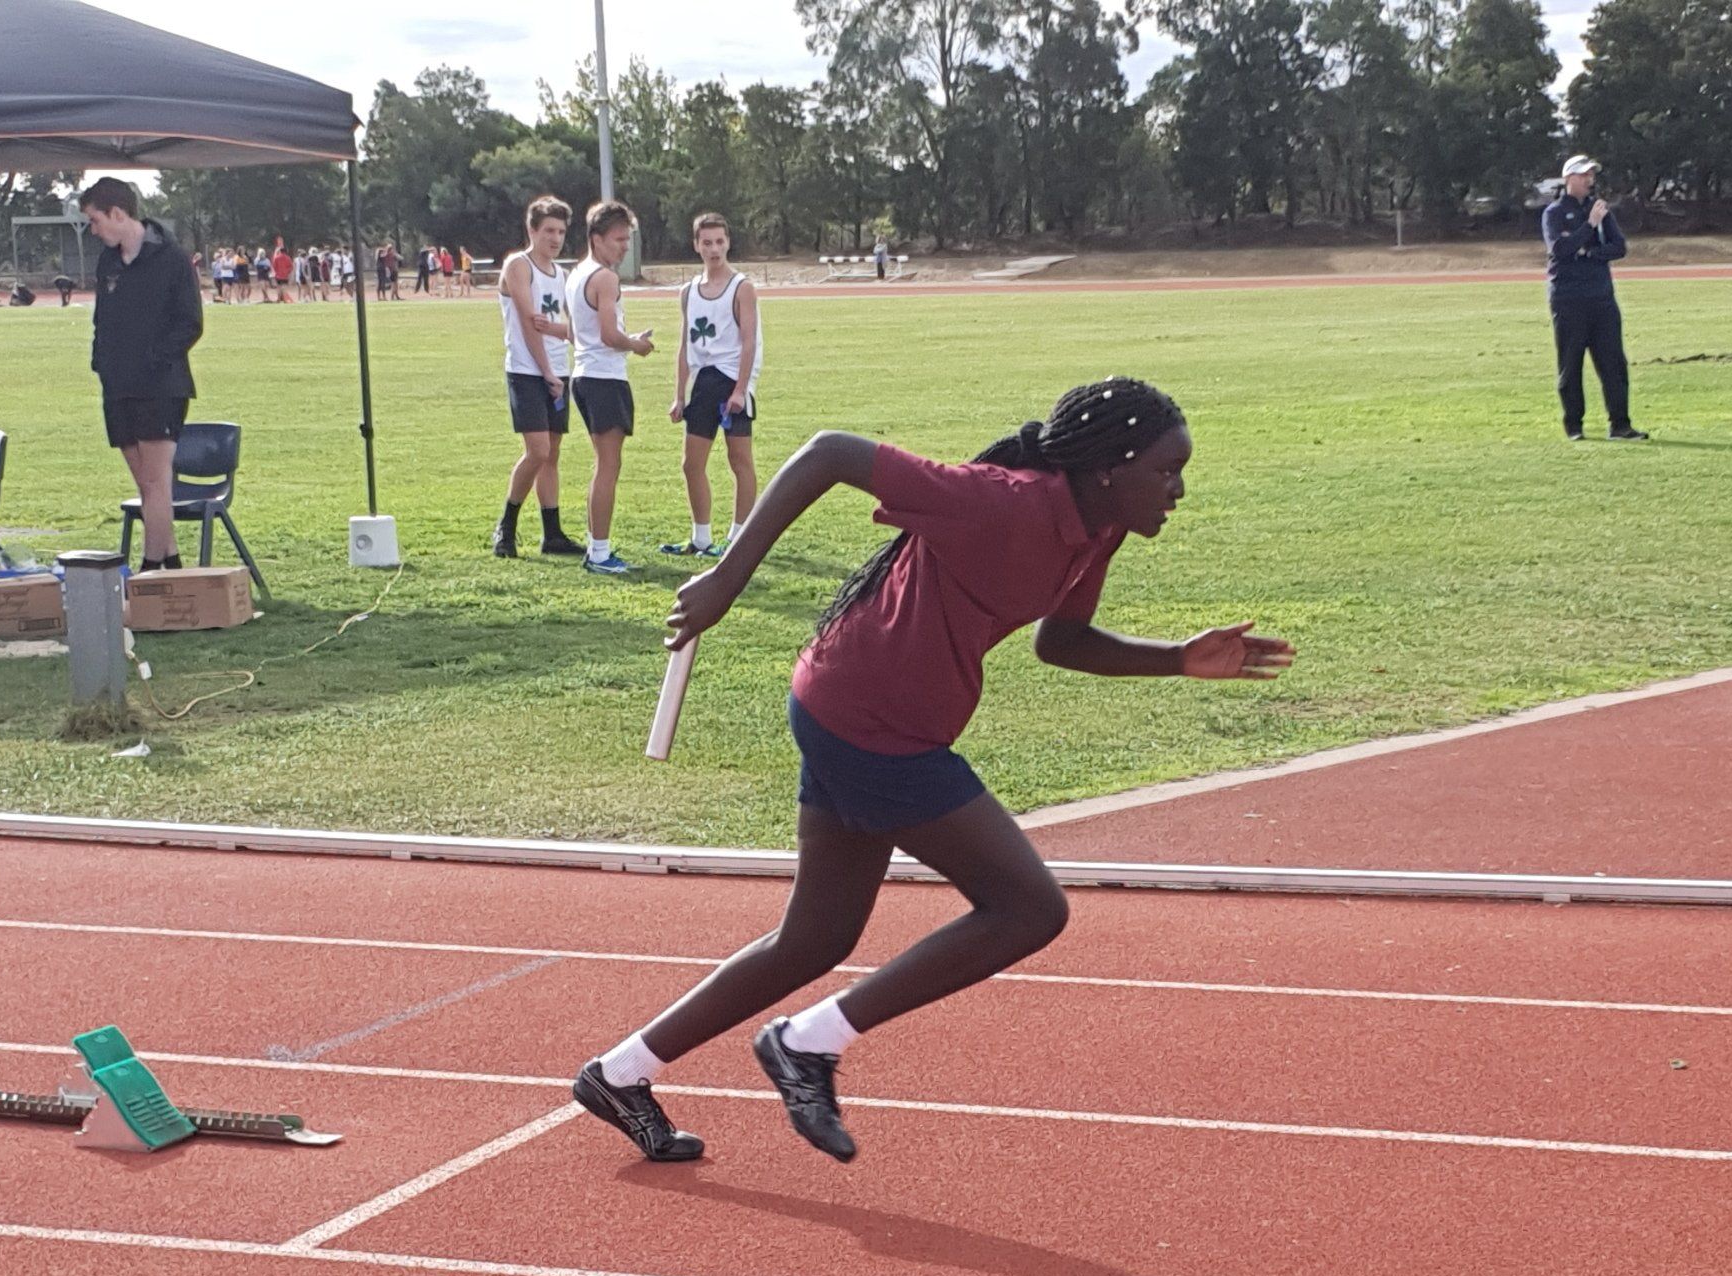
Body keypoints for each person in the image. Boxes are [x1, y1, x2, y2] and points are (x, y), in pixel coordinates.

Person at [573, 377, 1295, 1164]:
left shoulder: (1097, 528)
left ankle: (620, 1073)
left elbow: (1063, 641)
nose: (1179, 490)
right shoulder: (1001, 500)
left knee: (814, 938)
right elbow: (830, 454)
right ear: (1108, 466)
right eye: (1166, 470)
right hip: (871, 723)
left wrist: (1179, 662)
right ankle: (805, 1043)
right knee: (1027, 908)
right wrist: (727, 579)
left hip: (862, 709)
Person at [79, 175, 204, 572]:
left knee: (155, 481)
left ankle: (150, 570)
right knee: (146, 485)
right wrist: (101, 361)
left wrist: (151, 358)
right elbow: (103, 319)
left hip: (160, 387)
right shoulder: (108, 261)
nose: (93, 230)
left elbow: (190, 323)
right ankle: (172, 564)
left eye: (96, 220)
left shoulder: (171, 259)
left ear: (118, 213)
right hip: (117, 387)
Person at [661, 213, 760, 559]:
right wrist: (678, 395)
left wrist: (741, 390)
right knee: (692, 463)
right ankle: (700, 538)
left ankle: (739, 536)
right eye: (707, 242)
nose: (714, 249)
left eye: (720, 241)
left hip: (731, 379)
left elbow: (749, 342)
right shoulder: (688, 292)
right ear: (696, 245)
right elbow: (685, 345)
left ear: (728, 242)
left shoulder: (741, 287)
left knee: (739, 460)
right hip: (704, 383)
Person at [567, 200, 656, 577]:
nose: (624, 247)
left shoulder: (576, 275)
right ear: (596, 238)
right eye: (618, 240)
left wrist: (624, 339)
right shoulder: (604, 278)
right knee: (608, 466)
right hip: (604, 377)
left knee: (603, 465)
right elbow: (607, 334)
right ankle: (599, 553)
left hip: (586, 374)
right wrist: (635, 344)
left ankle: (597, 546)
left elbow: (576, 333)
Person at [492, 195, 584, 559]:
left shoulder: (561, 275)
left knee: (553, 453)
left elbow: (572, 330)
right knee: (537, 450)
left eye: (561, 231)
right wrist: (546, 371)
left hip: (558, 370)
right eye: (548, 230)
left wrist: (559, 337)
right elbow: (531, 325)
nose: (555, 238)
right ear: (532, 229)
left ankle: (552, 533)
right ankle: (507, 525)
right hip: (528, 370)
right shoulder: (519, 266)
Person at [1543, 156, 1647, 442]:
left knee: (1613, 363)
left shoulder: (1601, 210)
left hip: (1601, 297)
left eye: (1591, 174)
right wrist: (1589, 227)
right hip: (1568, 299)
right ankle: (1574, 427)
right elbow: (1561, 249)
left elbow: (1619, 247)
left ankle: (1621, 425)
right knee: (1570, 364)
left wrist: (1589, 252)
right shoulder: (1554, 213)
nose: (1589, 179)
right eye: (1582, 174)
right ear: (1568, 179)